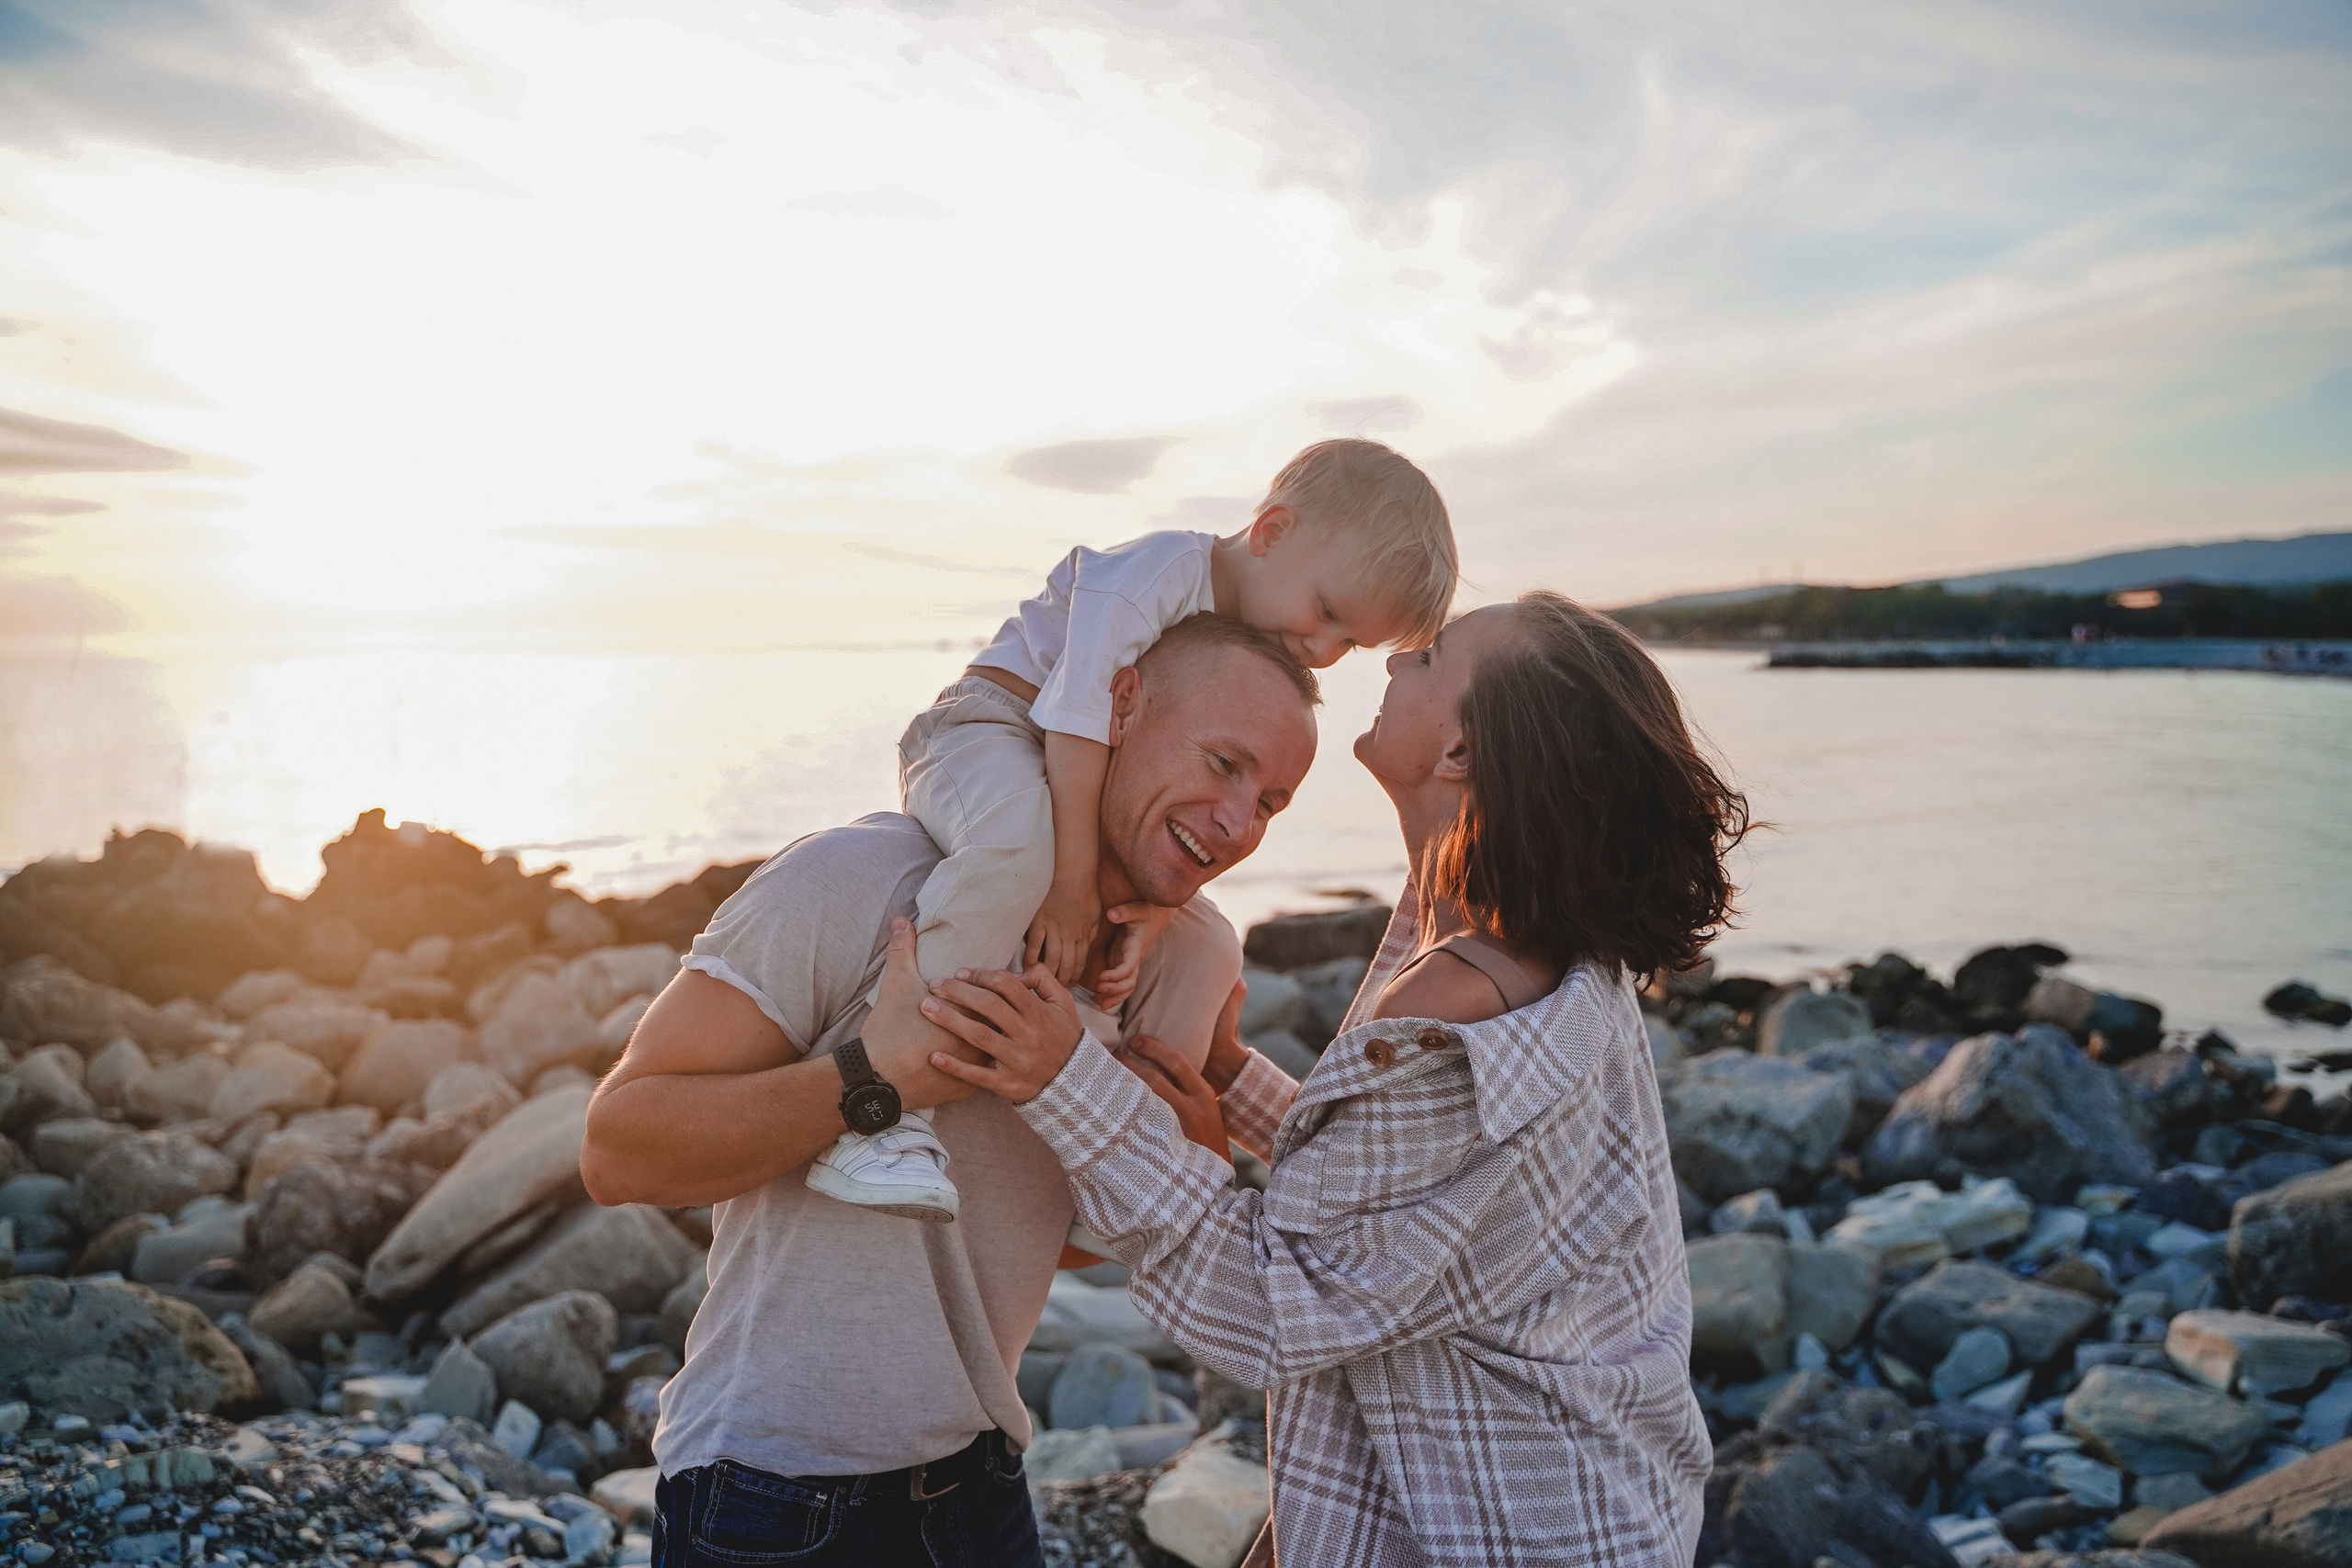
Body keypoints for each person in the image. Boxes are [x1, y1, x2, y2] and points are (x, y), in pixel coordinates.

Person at [914, 592, 1745, 1567]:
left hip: (1497, 1533)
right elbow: (1421, 1201)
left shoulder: (1450, 1009)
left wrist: (1065, 1082)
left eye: (1430, 660)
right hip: (1594, 1503)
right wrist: (1229, 1075)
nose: (1392, 664)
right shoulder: (1552, 952)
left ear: (1460, 757)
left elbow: (1273, 1308)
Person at [579, 614, 1319, 1568]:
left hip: (984, 1491)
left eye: (1273, 802)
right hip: (771, 1497)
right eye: (1223, 763)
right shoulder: (864, 880)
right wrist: (869, 1080)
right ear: (1119, 707)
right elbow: (617, 1149)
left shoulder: (1169, 962)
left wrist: (1192, 1154)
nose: (1238, 823)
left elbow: (1037, 1242)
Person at [809, 437, 1456, 1224]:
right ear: (1273, 531)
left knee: (1211, 944)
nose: (1322, 652)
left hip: (1066, 761)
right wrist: (1073, 884)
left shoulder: (1246, 629)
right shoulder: (1150, 578)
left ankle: (1123, 1146)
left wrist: (1150, 909)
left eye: (1348, 642)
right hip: (992, 725)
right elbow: (1078, 721)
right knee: (1017, 858)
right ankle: (883, 1095)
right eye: (1325, 613)